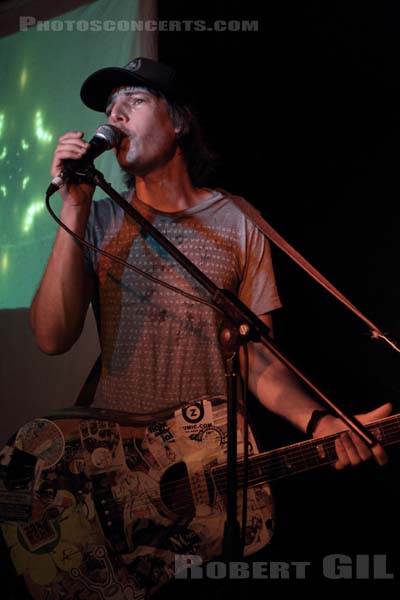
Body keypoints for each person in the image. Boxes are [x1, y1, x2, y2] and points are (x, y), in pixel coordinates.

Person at [29, 57, 391, 597]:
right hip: (116, 475)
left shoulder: (240, 219)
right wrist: (77, 206)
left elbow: (256, 356)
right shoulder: (100, 220)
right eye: (110, 108)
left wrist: (320, 423)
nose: (116, 115)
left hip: (206, 481)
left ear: (178, 122)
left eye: (135, 101)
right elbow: (52, 337)